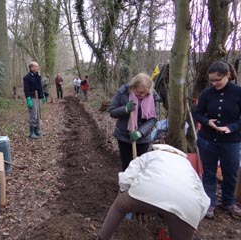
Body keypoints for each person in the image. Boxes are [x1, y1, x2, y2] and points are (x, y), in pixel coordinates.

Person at [97, 144, 210, 240]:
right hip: (189, 207)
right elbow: (205, 201)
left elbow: (127, 177)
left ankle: (102, 237)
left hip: (147, 192)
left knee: (119, 206)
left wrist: (124, 192)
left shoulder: (152, 155)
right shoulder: (188, 167)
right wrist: (191, 220)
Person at [193, 60, 241, 218]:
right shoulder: (207, 93)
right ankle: (209, 203)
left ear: (227, 75)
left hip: (231, 141)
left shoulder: (238, 92)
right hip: (207, 139)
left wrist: (231, 127)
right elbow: (197, 113)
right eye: (211, 80)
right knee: (208, 172)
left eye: (217, 80)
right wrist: (207, 122)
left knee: (231, 172)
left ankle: (228, 202)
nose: (214, 83)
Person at [109, 73, 159, 171]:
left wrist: (140, 132)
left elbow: (153, 119)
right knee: (127, 165)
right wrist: (125, 109)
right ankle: (126, 185)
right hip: (124, 136)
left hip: (143, 138)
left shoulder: (153, 96)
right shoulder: (123, 93)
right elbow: (112, 112)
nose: (142, 95)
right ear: (133, 87)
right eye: (139, 92)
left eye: (145, 93)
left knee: (141, 166)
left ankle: (139, 185)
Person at [23, 61, 45, 139]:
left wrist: (43, 96)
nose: (37, 67)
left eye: (37, 66)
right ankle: (31, 132)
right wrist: (28, 98)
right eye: (36, 66)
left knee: (39, 114)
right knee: (34, 114)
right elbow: (26, 89)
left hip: (38, 97)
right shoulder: (27, 77)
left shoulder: (38, 76)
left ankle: (37, 130)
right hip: (32, 97)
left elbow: (40, 87)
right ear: (31, 68)